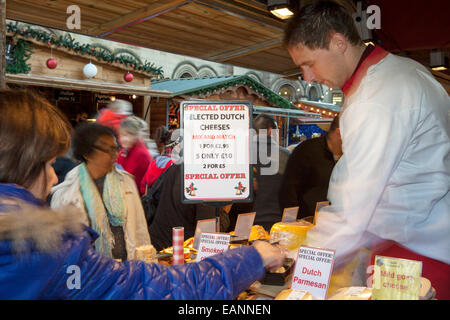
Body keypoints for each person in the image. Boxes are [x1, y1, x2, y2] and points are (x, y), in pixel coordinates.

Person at [0, 89, 286, 300]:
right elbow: (148, 289)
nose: (52, 176)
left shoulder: (122, 182)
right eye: (48, 164)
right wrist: (250, 260)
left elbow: (137, 236)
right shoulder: (43, 247)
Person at [284, 1, 450, 299]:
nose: (308, 77)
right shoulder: (402, 72)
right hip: (423, 244)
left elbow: (353, 207)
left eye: (309, 63)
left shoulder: (375, 98)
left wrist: (307, 264)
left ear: (338, 42)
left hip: (416, 256)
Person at [51, 122, 152, 261]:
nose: (114, 154)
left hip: (129, 270)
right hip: (92, 274)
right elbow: (62, 248)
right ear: (87, 153)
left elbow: (141, 231)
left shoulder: (126, 182)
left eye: (115, 148)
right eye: (107, 149)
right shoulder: (66, 193)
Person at [148, 162, 231, 252]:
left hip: (157, 242)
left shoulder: (176, 166)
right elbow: (208, 233)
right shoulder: (205, 177)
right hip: (177, 251)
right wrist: (225, 211)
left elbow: (154, 198)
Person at [279, 115, 342, 219]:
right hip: (306, 223)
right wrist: (291, 222)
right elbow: (288, 191)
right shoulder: (307, 151)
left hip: (335, 223)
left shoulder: (349, 156)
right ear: (339, 133)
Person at [252, 114, 291, 232]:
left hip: (246, 219)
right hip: (277, 219)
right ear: (270, 131)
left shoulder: (242, 153)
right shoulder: (284, 155)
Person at [117, 116, 153, 196]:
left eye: (128, 135)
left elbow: (132, 183)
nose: (123, 139)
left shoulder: (141, 154)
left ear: (136, 135)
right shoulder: (126, 149)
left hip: (133, 198)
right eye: (122, 135)